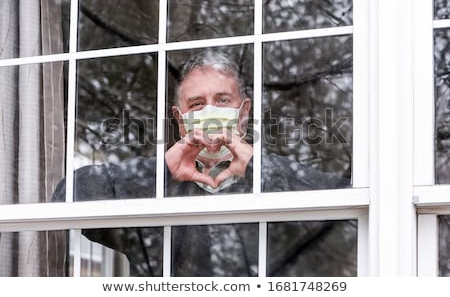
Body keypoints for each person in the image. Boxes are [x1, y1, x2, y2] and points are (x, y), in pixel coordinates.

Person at [52, 51, 351, 276]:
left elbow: (348, 214)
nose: (209, 111)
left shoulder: (277, 178)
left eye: (222, 101)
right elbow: (67, 199)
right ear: (181, 120)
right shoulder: (152, 184)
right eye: (196, 104)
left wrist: (261, 170)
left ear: (243, 114)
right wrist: (160, 172)